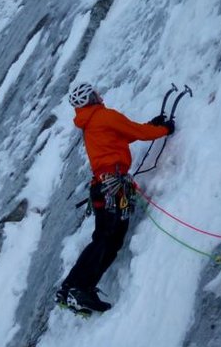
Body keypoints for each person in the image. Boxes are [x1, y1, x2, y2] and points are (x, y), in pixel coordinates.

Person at [56, 82, 175, 313]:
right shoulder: (103, 116)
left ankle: (75, 287)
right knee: (107, 239)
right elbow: (136, 132)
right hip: (113, 187)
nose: (100, 96)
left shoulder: (90, 123)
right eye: (95, 93)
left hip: (103, 187)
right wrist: (164, 130)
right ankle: (77, 288)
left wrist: (151, 125)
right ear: (92, 97)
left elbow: (122, 136)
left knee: (107, 239)